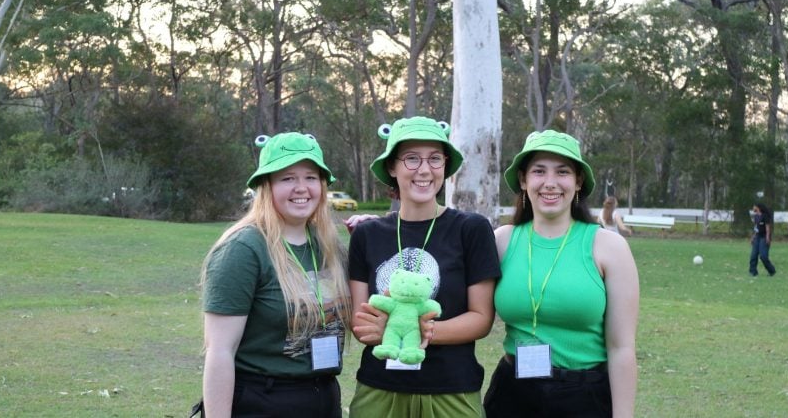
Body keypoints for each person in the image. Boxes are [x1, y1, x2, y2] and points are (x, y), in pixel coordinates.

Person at [347, 116, 502, 418]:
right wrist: (374, 328)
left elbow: (481, 319)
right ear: (392, 167)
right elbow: (360, 321)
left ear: (444, 166)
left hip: (452, 389)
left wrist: (418, 331)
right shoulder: (368, 235)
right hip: (380, 389)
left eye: (434, 159)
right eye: (411, 159)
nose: (424, 170)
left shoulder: (470, 229)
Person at [483, 130, 640, 418]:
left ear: (578, 181)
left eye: (563, 172)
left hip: (583, 397)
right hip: (511, 395)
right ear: (523, 180)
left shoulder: (609, 247)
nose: (550, 183)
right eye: (539, 171)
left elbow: (622, 348)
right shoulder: (502, 241)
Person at [199, 132, 351, 418]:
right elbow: (220, 352)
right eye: (288, 178)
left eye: (310, 177)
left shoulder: (329, 246)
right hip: (263, 401)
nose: (301, 187)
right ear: (266, 186)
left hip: (323, 396)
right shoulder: (243, 249)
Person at [749, 202, 777, 277]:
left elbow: (767, 228)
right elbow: (756, 228)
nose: (753, 208)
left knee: (763, 256)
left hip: (764, 237)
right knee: (753, 255)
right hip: (757, 237)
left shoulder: (765, 216)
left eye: (754, 206)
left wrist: (767, 237)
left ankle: (771, 271)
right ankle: (753, 272)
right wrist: (753, 237)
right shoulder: (755, 217)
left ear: (758, 207)